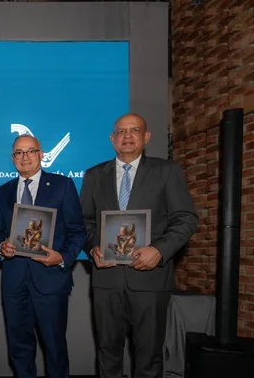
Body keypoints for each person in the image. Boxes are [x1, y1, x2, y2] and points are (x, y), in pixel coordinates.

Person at [80, 113, 198, 378]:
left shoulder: (167, 171)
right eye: (121, 132)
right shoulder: (94, 175)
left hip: (151, 280)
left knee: (149, 356)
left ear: (146, 137)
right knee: (107, 352)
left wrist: (159, 250)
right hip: (107, 280)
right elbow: (84, 222)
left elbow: (186, 219)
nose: (127, 136)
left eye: (134, 130)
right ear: (112, 139)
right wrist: (92, 247)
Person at [0, 135, 87, 378]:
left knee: (54, 348)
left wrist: (62, 257)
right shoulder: (2, 192)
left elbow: (78, 231)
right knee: (19, 349)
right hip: (14, 283)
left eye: (30, 151)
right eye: (19, 153)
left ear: (41, 154)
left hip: (51, 279)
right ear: (13, 158)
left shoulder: (63, 186)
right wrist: (1, 246)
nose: (25, 157)